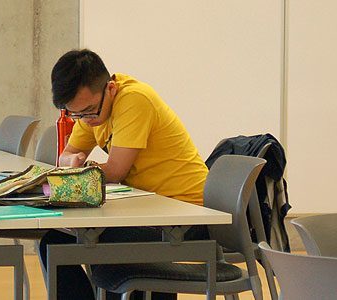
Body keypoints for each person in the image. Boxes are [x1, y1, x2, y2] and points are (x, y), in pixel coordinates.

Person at [39, 49, 210, 300]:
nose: (85, 120)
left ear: (110, 89)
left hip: (186, 213)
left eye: (88, 111)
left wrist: (79, 169)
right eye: (75, 114)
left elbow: (116, 172)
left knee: (103, 242)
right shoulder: (91, 115)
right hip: (147, 210)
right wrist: (71, 161)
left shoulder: (135, 100)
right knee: (53, 241)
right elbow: (67, 155)